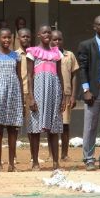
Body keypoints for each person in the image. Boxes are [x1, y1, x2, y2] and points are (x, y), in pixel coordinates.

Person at [77, 15, 100, 171]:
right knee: (90, 127)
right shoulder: (86, 45)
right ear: (94, 27)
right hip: (93, 92)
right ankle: (89, 158)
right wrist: (86, 90)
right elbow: (82, 69)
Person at [27, 25, 64, 169]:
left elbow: (60, 75)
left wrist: (62, 97)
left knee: (53, 128)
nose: (47, 35)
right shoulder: (33, 52)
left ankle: (55, 162)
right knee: (36, 128)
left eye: (49, 32)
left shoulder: (57, 53)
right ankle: (35, 162)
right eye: (44, 32)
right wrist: (31, 97)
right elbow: (30, 76)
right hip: (38, 91)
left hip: (54, 91)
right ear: (39, 35)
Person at [0, 28, 24, 172]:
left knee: (12, 129)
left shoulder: (16, 56)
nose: (7, 40)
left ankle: (11, 164)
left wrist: (22, 100)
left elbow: (20, 78)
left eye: (9, 37)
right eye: (4, 37)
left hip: (14, 94)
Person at [51, 30, 79, 161]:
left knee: (65, 125)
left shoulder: (69, 55)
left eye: (59, 39)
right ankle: (52, 154)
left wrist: (73, 95)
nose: (57, 42)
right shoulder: (47, 55)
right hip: (51, 94)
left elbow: (74, 76)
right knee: (51, 126)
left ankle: (64, 153)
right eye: (54, 39)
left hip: (66, 94)